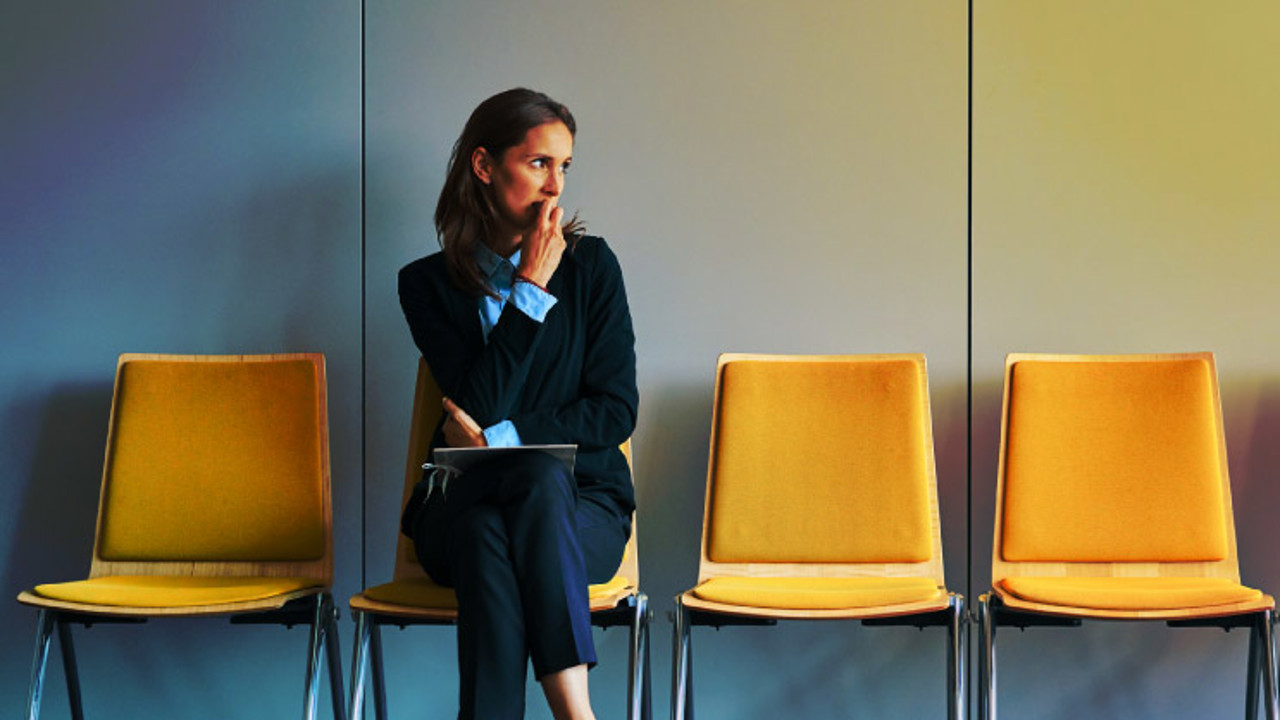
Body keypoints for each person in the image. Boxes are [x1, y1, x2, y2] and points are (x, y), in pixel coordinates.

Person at [398, 87, 638, 720]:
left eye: (564, 167)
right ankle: (576, 712)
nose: (555, 187)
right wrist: (528, 289)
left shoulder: (593, 269)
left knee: (497, 527)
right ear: (484, 166)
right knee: (497, 506)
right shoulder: (425, 286)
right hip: (457, 504)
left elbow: (615, 412)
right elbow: (471, 405)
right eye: (538, 164)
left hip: (585, 509)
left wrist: (501, 440)